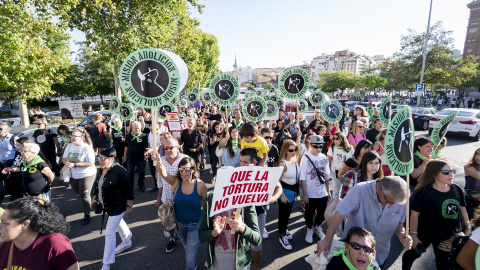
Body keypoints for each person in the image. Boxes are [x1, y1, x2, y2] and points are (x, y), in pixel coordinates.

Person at [317, 176, 412, 267]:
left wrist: (401, 234)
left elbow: (399, 222)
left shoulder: (399, 199)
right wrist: (327, 240)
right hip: (353, 254)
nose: (392, 205)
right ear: (379, 189)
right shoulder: (359, 190)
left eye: (395, 203)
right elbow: (339, 214)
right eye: (389, 202)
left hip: (379, 255)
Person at [403, 159, 472, 270]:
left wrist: (468, 227)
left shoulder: (456, 189)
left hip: (448, 235)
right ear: (434, 174)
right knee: (411, 255)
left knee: (443, 263)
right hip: (425, 233)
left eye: (452, 171)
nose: (451, 174)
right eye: (446, 172)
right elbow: (414, 215)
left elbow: (463, 209)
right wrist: (414, 235)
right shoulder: (423, 192)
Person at [198, 152, 262, 270]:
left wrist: (243, 228)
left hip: (240, 265)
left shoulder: (246, 200)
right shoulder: (211, 198)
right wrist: (213, 233)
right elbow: (201, 235)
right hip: (216, 264)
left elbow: (257, 239)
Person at [156, 156, 207, 270]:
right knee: (186, 248)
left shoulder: (200, 185)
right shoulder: (176, 182)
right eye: (181, 169)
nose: (184, 172)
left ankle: (191, 265)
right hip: (179, 226)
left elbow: (208, 204)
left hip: (195, 225)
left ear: (193, 169)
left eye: (187, 169)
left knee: (189, 258)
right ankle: (193, 264)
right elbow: (164, 174)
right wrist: (159, 162)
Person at [0, 197, 79, 270]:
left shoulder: (55, 244)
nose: (0, 226)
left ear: (25, 225)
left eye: (5, 223)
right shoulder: (6, 243)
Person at [91, 148, 134, 270]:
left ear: (112, 159)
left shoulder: (119, 171)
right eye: (99, 157)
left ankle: (106, 263)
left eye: (103, 158)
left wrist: (129, 206)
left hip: (118, 206)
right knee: (118, 222)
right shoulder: (101, 170)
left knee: (109, 233)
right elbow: (97, 186)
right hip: (107, 206)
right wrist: (94, 198)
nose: (100, 160)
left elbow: (129, 189)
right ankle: (127, 239)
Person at [154, 138, 188, 253]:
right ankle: (172, 239)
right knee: (168, 222)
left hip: (182, 198)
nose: (168, 150)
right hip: (166, 198)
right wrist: (159, 198)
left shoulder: (185, 159)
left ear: (177, 147)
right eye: (166, 148)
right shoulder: (161, 160)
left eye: (171, 147)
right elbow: (159, 181)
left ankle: (184, 237)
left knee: (182, 221)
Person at [299, 135, 331, 244]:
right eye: (316, 146)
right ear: (311, 145)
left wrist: (328, 191)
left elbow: (327, 176)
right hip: (310, 193)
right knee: (309, 214)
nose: (318, 148)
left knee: (321, 213)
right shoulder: (305, 158)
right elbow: (302, 177)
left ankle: (317, 227)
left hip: (322, 192)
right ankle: (309, 228)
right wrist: (305, 194)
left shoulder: (324, 158)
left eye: (321, 146)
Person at [62, 129, 96, 225]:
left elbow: (91, 163)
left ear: (81, 138)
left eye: (75, 136)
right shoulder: (69, 146)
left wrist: (75, 165)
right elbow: (64, 158)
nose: (72, 137)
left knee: (84, 195)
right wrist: (67, 163)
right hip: (73, 174)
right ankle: (91, 198)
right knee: (79, 193)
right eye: (72, 135)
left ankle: (87, 214)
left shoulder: (87, 148)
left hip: (87, 174)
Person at [277, 139, 300, 250]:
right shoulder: (282, 163)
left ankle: (284, 229)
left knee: (288, 213)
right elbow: (278, 181)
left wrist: (299, 139)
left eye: (295, 149)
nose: (293, 152)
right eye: (291, 150)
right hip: (285, 190)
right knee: (283, 214)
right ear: (285, 150)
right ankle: (282, 235)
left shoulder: (295, 159)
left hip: (293, 190)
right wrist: (283, 195)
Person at [1, 137, 32, 201]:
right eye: (16, 145)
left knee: (31, 201)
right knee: (14, 200)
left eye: (19, 145)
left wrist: (11, 169)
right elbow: (15, 163)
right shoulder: (17, 153)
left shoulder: (30, 155)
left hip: (25, 181)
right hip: (16, 180)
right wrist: (9, 168)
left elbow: (25, 168)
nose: (16, 147)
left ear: (25, 145)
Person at [327, 132, 354, 198]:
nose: (335, 140)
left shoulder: (350, 148)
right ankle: (335, 205)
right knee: (336, 189)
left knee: (348, 189)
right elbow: (328, 162)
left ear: (342, 139)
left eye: (337, 139)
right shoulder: (332, 148)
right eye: (334, 138)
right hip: (336, 171)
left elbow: (353, 159)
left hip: (347, 172)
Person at [124, 121, 149, 192]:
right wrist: (124, 156)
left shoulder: (144, 136)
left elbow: (147, 146)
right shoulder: (128, 136)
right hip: (131, 158)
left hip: (141, 158)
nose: (137, 129)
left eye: (138, 128)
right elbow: (126, 146)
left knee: (141, 173)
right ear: (132, 128)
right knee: (130, 173)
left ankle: (141, 185)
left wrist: (147, 154)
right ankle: (130, 186)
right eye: (135, 128)